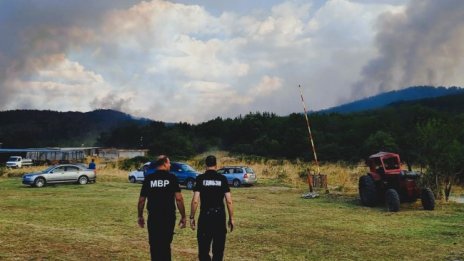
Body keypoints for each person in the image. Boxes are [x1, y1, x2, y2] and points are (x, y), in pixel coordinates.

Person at [137, 155, 186, 261]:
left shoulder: (149, 178)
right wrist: (183, 216)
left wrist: (140, 216)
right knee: (165, 244)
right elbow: (179, 199)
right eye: (169, 163)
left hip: (154, 216)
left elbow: (141, 200)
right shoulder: (172, 178)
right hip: (168, 217)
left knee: (154, 245)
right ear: (164, 163)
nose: (170, 165)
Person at [189, 155, 234, 261]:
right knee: (218, 250)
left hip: (205, 216)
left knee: (203, 249)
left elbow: (195, 200)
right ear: (216, 165)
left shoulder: (200, 178)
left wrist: (192, 217)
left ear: (205, 165)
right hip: (219, 216)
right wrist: (231, 218)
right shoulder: (222, 179)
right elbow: (229, 200)